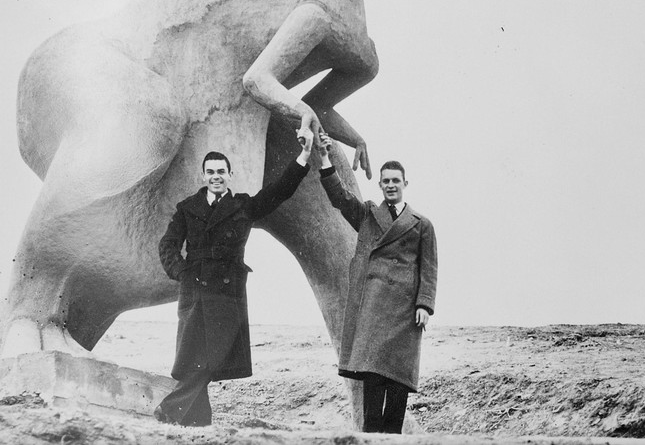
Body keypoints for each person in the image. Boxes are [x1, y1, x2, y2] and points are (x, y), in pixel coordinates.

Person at [155, 129, 313, 426]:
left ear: (230, 175)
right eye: (211, 172)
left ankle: (171, 410)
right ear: (203, 175)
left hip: (227, 290)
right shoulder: (187, 208)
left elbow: (280, 191)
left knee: (214, 355)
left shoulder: (243, 206)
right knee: (194, 356)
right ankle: (197, 420)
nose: (216, 177)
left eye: (221, 172)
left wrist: (303, 156)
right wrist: (182, 272)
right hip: (194, 287)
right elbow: (168, 244)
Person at [316, 133, 438, 433]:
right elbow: (340, 198)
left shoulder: (422, 224)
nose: (391, 185)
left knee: (397, 386)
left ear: (405, 183)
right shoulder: (368, 215)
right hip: (372, 311)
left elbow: (429, 268)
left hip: (405, 313)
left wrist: (425, 305)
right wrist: (324, 158)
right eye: (386, 181)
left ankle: (393, 438)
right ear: (380, 185)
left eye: (396, 180)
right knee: (372, 385)